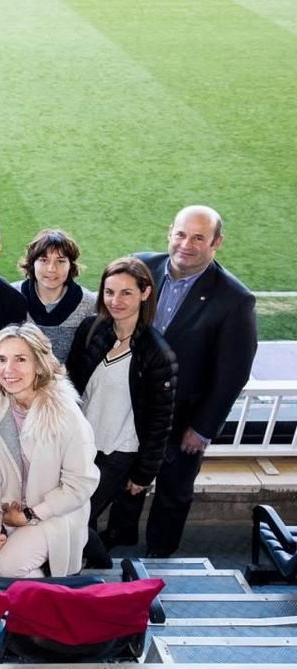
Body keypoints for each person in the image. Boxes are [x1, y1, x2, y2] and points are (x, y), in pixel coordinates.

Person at [130, 205, 257, 556]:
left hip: (182, 419)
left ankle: (160, 557)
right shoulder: (140, 268)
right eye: (182, 234)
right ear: (170, 232)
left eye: (199, 237)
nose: (187, 244)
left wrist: (202, 428)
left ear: (216, 243)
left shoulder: (235, 299)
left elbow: (233, 373)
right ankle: (117, 546)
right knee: (124, 483)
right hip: (130, 408)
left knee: (173, 492)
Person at [67, 257, 177, 564]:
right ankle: (79, 570)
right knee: (75, 517)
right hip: (80, 446)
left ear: (145, 293)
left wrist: (143, 473)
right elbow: (72, 384)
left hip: (118, 452)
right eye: (109, 291)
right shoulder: (92, 328)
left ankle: (101, 569)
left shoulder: (157, 353)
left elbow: (160, 420)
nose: (115, 301)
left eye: (126, 293)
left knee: (76, 516)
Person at [0, 325, 99, 578]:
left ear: (39, 365)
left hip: (53, 513)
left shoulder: (65, 414)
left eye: (20, 359)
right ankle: (11, 612)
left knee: (8, 567)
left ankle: (43, 612)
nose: (8, 370)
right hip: (8, 509)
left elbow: (82, 483)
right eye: (1, 359)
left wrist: (31, 514)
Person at [18, 229, 96, 362]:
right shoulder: (12, 296)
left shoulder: (89, 304)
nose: (51, 269)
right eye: (44, 260)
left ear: (71, 265)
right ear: (32, 263)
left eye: (60, 261)